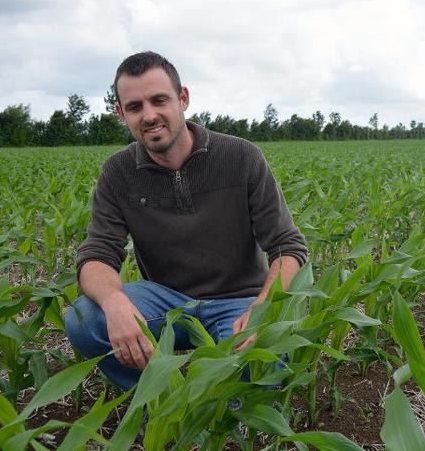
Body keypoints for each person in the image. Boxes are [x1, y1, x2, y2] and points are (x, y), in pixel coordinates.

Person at [64, 51, 307, 390]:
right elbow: (96, 255)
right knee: (85, 320)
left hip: (239, 302)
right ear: (121, 114)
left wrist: (264, 309)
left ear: (183, 98)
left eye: (159, 100)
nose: (149, 116)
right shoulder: (118, 173)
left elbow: (288, 247)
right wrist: (115, 304)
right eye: (135, 107)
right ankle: (157, 402)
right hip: (166, 301)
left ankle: (222, 409)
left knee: (257, 367)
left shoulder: (241, 157)